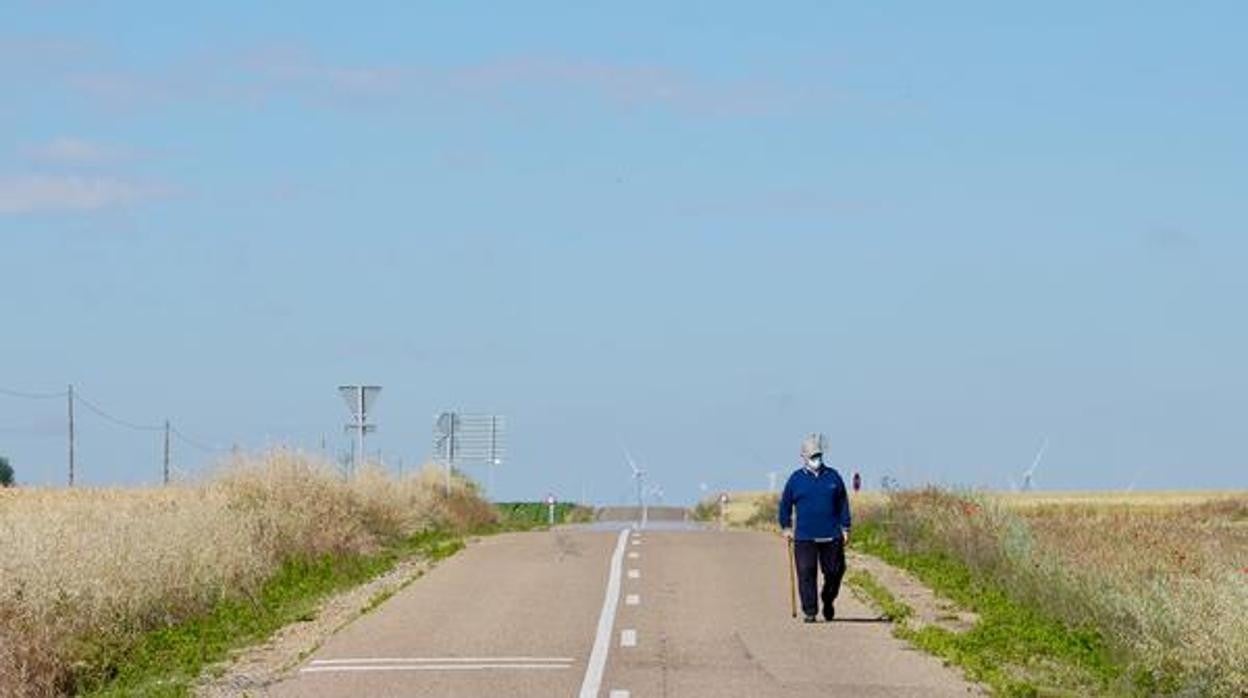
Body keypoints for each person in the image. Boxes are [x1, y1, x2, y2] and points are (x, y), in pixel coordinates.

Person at [778, 433, 852, 622]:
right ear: (803, 456)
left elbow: (843, 503)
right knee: (806, 572)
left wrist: (845, 528)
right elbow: (785, 505)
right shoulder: (795, 480)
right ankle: (810, 610)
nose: (816, 459)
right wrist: (786, 527)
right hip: (805, 537)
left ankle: (828, 599)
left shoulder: (833, 477)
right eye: (812, 456)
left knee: (835, 572)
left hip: (832, 534)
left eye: (818, 455)